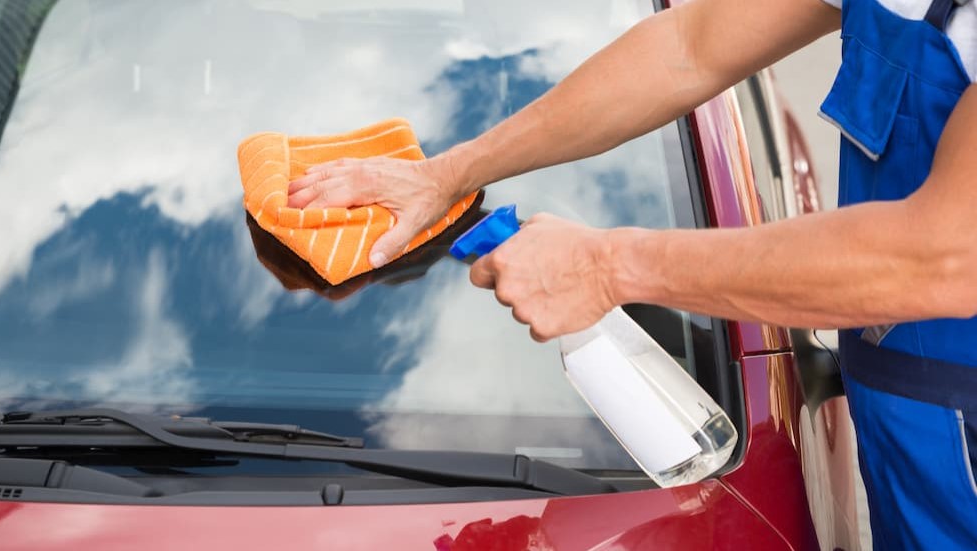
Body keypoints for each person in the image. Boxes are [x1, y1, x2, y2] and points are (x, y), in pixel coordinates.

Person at [287, 0, 977, 547]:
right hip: (910, 451)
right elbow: (690, 48)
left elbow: (945, 255)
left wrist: (605, 266)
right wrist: (448, 175)